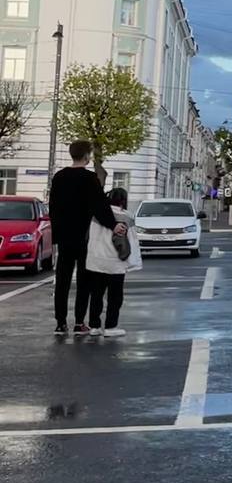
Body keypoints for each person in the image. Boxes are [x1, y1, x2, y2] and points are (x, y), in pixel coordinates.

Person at [48, 140, 126, 336]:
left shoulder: (59, 177)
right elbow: (100, 206)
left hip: (65, 237)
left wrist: (57, 234)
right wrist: (113, 225)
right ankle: (79, 323)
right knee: (85, 281)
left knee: (63, 280)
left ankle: (60, 323)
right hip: (85, 237)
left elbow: (53, 208)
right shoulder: (90, 178)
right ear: (86, 156)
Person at [85, 187, 142, 337]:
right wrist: (133, 263)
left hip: (96, 260)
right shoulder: (127, 217)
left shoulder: (97, 216)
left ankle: (94, 326)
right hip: (115, 263)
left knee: (96, 294)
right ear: (124, 200)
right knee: (115, 296)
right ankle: (111, 326)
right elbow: (132, 243)